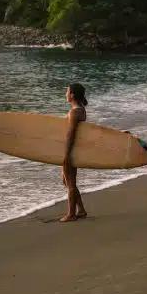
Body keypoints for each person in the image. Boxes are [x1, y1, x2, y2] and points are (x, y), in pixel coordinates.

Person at [60, 82, 88, 222]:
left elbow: (70, 134)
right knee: (67, 180)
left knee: (70, 182)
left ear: (72, 95)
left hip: (71, 150)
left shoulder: (74, 112)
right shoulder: (81, 109)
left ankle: (71, 214)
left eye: (67, 91)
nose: (66, 94)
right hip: (75, 150)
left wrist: (66, 155)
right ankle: (81, 210)